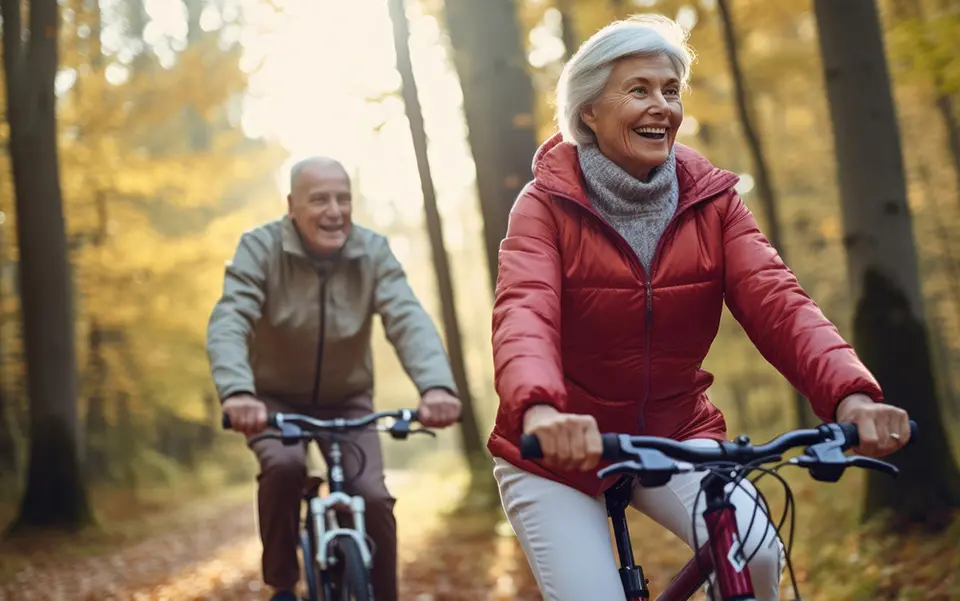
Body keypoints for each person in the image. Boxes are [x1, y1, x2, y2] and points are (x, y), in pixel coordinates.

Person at [486, 15, 911, 601]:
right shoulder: (544, 206)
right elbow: (524, 314)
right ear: (588, 111)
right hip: (556, 449)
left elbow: (779, 302)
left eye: (669, 90)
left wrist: (852, 394)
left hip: (675, 432)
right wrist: (538, 412)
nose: (661, 105)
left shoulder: (712, 200)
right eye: (638, 90)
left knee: (756, 554)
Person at [206, 156, 462, 601]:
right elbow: (230, 319)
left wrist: (436, 386)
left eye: (343, 199)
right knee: (285, 468)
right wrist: (238, 393)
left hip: (348, 400)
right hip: (272, 401)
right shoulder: (260, 248)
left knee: (373, 498)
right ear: (292, 206)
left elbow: (407, 318)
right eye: (319, 199)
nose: (335, 211)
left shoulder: (372, 251)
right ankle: (283, 584)